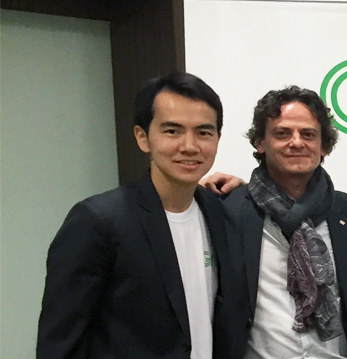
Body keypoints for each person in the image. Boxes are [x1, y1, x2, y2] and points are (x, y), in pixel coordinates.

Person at [37, 73, 239, 359]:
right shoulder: (98, 221)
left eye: (203, 132)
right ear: (142, 138)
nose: (190, 146)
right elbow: (61, 343)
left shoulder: (219, 211)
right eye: (172, 131)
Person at [221, 86, 347, 359]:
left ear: (323, 146)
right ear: (260, 143)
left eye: (308, 134)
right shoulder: (228, 211)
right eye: (282, 133)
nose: (297, 142)